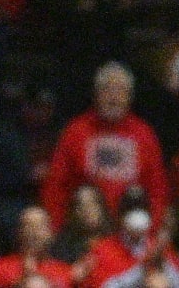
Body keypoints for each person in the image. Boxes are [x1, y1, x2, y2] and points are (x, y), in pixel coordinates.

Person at [42, 63, 170, 228]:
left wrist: (151, 229)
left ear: (130, 97)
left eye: (121, 91)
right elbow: (56, 186)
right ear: (96, 95)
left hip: (131, 230)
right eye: (107, 90)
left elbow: (157, 188)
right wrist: (57, 230)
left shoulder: (144, 134)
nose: (114, 97)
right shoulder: (75, 131)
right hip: (83, 230)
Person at [0, 206, 70, 288]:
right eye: (28, 226)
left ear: (51, 234)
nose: (34, 232)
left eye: (41, 226)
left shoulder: (65, 272)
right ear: (19, 232)